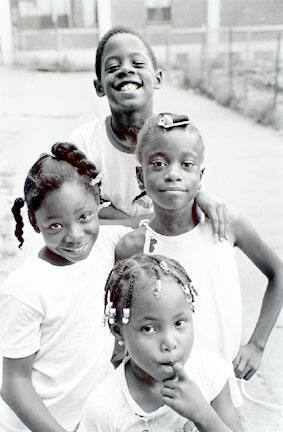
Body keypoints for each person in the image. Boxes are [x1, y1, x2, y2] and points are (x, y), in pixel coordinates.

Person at [115, 113, 283, 404]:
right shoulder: (133, 247)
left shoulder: (224, 227)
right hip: (162, 399)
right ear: (140, 175)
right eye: (158, 164)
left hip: (223, 394)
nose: (173, 173)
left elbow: (278, 273)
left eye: (187, 164)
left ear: (201, 177)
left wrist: (256, 344)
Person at [0, 143, 131, 432]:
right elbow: (13, 385)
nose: (74, 236)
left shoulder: (107, 245)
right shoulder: (25, 288)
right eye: (56, 226)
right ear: (35, 223)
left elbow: (163, 225)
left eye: (84, 217)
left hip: (84, 423)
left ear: (98, 203)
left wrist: (204, 199)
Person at [69, 26, 229, 240]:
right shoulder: (83, 141)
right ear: (99, 87)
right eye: (113, 67)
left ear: (158, 78)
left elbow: (189, 208)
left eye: (137, 63)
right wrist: (149, 223)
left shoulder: (177, 136)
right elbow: (76, 219)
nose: (125, 70)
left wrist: (201, 196)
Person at [78, 253, 243, 432]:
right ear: (118, 332)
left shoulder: (210, 372)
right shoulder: (104, 407)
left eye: (178, 323)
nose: (169, 343)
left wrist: (203, 415)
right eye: (148, 329)